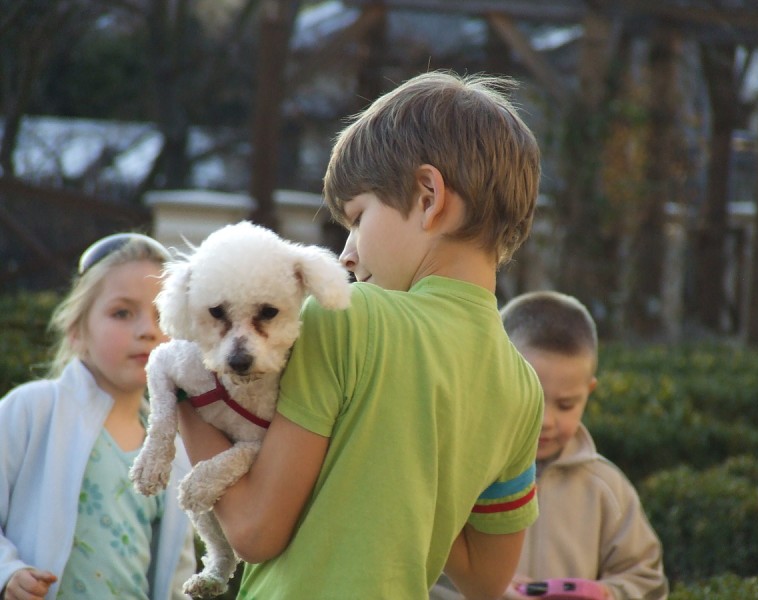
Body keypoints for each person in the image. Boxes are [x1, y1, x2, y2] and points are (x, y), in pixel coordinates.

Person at [175, 70, 545, 599]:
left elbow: (255, 530)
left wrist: (186, 384)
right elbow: (486, 580)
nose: (347, 254)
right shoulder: (523, 387)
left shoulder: (349, 317)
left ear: (427, 195)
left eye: (358, 217)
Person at [0, 233, 197, 600]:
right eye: (122, 312)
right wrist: (8, 573)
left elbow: (177, 575)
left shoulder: (175, 450)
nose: (147, 330)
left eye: (161, 315)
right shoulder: (31, 409)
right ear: (76, 331)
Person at [499, 291, 668, 600]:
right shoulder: (461, 476)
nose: (546, 421)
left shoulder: (607, 488)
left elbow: (647, 580)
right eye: (530, 400)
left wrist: (606, 594)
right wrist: (484, 587)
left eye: (565, 405)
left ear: (588, 392)